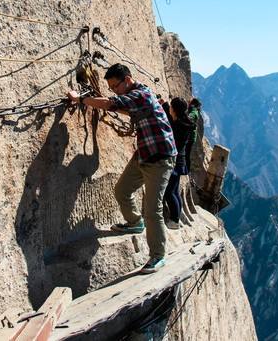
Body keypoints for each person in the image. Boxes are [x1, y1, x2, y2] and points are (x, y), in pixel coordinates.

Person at [67, 63, 176, 274]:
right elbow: (120, 106)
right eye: (112, 87)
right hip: (145, 153)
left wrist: (79, 98)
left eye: (115, 85)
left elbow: (110, 103)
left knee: (153, 209)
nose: (114, 90)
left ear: (127, 80)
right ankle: (135, 222)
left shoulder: (141, 94)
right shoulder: (138, 97)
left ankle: (158, 255)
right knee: (122, 190)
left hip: (160, 157)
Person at [161, 97, 194, 230]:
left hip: (174, 162)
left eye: (171, 107)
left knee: (169, 192)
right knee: (174, 191)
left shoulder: (178, 125)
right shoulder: (183, 123)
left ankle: (174, 220)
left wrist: (163, 107)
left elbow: (168, 124)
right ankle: (177, 217)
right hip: (180, 162)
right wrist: (164, 105)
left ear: (174, 110)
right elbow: (170, 119)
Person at [185, 98, 202, 173]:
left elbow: (189, 119)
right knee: (187, 153)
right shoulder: (195, 111)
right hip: (191, 136)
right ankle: (186, 169)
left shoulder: (193, 111)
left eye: (190, 101)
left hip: (190, 137)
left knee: (186, 153)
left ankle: (186, 170)